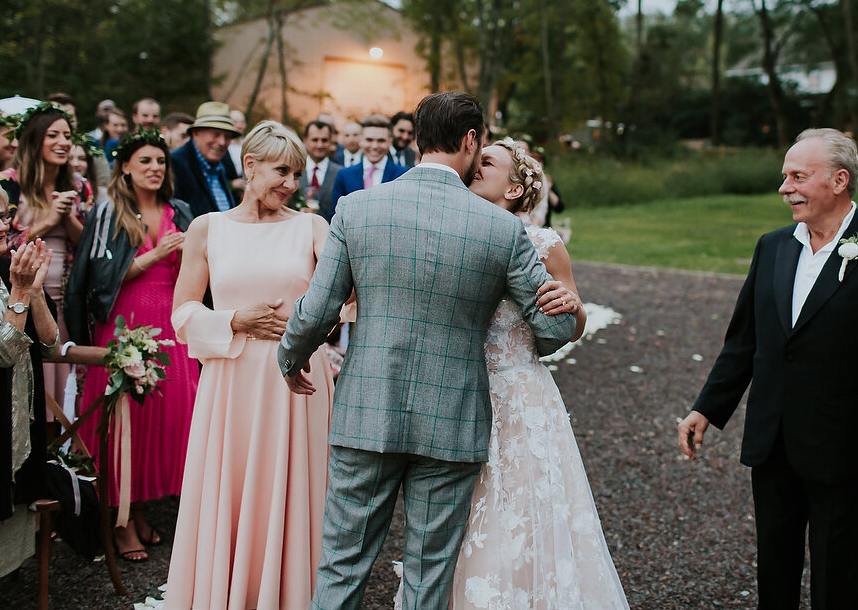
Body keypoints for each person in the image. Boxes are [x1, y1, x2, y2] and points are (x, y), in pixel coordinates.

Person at [278, 91, 577, 610]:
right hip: (453, 422)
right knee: (427, 575)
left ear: (417, 139)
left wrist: (290, 357)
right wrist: (567, 303)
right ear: (469, 140)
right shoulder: (503, 228)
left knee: (343, 565)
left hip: (367, 413)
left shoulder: (356, 208)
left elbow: (317, 308)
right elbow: (552, 334)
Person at [677, 128, 858, 610]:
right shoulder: (772, 247)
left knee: (837, 571)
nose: (785, 187)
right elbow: (745, 341)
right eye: (784, 176)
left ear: (839, 180)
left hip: (843, 447)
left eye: (798, 176)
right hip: (772, 441)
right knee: (774, 567)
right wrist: (707, 408)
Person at [446, 139, 628, 608]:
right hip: (459, 392)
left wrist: (574, 307)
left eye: (487, 162)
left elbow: (573, 325)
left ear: (513, 188)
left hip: (519, 396)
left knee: (526, 511)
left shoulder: (544, 245)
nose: (474, 165)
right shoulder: (453, 231)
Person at [165, 121, 334, 610]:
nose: (291, 184)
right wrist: (235, 320)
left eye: (297, 174)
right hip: (232, 378)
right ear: (250, 165)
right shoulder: (207, 228)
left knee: (296, 492)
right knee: (234, 489)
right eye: (282, 170)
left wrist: (305, 330)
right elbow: (183, 313)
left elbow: (343, 299)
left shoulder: (312, 227)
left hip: (297, 378)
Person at [65, 131, 197, 562]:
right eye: (145, 161)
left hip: (171, 323)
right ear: (124, 166)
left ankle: (138, 508)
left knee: (167, 418)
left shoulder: (179, 210)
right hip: (126, 322)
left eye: (161, 161)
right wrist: (156, 254)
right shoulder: (107, 213)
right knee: (125, 425)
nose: (156, 168)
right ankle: (120, 524)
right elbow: (99, 282)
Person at [0, 176, 59, 610]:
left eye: (4, 216)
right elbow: (0, 354)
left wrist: (35, 287)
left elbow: (48, 338)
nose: (0, 226)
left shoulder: (13, 266)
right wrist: (21, 291)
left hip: (16, 423)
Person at [0, 104, 92, 430]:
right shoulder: (6, 184)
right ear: (35, 140)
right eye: (54, 135)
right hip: (17, 297)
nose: (63, 142)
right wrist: (48, 220)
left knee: (62, 376)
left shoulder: (80, 186)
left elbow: (89, 246)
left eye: (67, 135)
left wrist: (67, 218)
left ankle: (59, 457)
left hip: (65, 301)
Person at [169, 102, 241, 218]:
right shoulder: (175, 163)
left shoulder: (221, 163)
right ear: (196, 133)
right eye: (216, 134)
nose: (222, 142)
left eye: (227, 137)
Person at [328, 114, 406, 218]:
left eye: (381, 141)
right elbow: (335, 216)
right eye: (369, 140)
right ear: (361, 141)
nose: (375, 146)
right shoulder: (345, 175)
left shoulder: (403, 175)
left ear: (389, 142)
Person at [300, 119, 342, 221]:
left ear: (331, 142)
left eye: (324, 140)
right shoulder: (294, 170)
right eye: (315, 140)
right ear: (305, 141)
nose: (320, 145)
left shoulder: (341, 173)